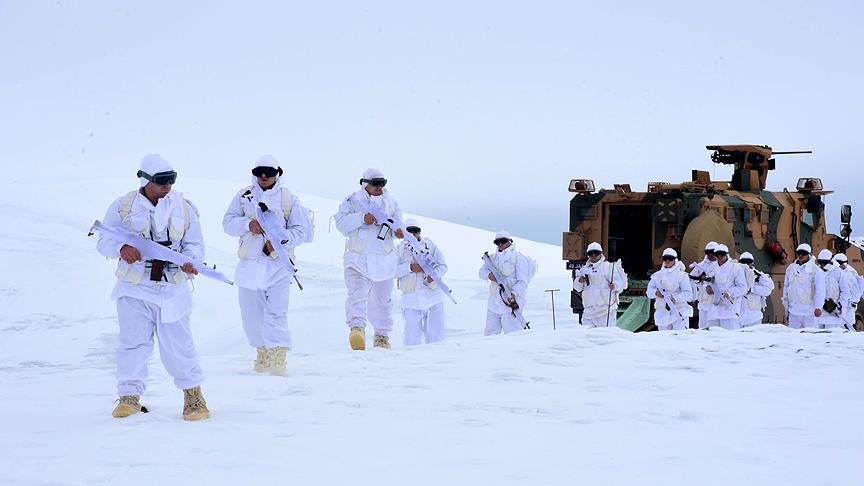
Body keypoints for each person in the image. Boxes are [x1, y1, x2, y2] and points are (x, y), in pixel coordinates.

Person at [95, 154, 209, 421]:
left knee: (179, 345)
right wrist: (121, 248)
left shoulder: (184, 207)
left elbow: (195, 244)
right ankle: (129, 397)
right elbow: (103, 239)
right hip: (134, 287)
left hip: (172, 289)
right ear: (145, 179)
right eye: (161, 181)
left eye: (171, 180)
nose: (167, 186)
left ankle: (193, 397)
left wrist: (192, 261)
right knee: (132, 344)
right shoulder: (122, 206)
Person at [222, 155, 313, 376]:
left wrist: (281, 239)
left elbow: (301, 231)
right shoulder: (244, 196)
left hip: (278, 265)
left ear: (277, 173)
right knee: (250, 314)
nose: (263, 176)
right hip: (249, 265)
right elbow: (228, 223)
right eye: (259, 171)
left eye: (269, 172)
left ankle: (278, 357)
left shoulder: (289, 198)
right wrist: (248, 224)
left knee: (277, 312)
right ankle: (262, 351)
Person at [335, 169, 403, 350]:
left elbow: (398, 226)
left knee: (382, 299)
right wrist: (361, 218)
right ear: (365, 183)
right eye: (375, 183)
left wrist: (398, 231)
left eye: (383, 183)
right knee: (357, 294)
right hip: (357, 258)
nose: (379, 187)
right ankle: (357, 329)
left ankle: (382, 336)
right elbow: (340, 224)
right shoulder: (352, 201)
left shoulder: (391, 203)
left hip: (384, 259)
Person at [395, 219, 448, 345]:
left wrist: (434, 276)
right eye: (409, 231)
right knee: (411, 340)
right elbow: (391, 271)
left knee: (436, 338)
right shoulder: (399, 249)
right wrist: (410, 268)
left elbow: (443, 266)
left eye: (416, 231)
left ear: (420, 232)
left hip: (433, 297)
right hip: (411, 299)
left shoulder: (429, 245)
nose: (413, 234)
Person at [479, 231, 535, 335]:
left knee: (512, 335)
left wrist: (514, 294)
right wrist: (489, 275)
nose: (500, 244)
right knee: (489, 335)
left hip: (510, 303)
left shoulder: (518, 258)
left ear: (510, 241)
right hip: (493, 303)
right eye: (497, 242)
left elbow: (523, 281)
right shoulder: (492, 258)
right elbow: (481, 272)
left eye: (503, 241)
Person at [573, 242, 627, 328]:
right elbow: (577, 288)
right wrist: (579, 281)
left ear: (601, 254)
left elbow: (619, 282)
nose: (593, 255)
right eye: (591, 253)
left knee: (606, 337)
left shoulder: (608, 267)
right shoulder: (584, 269)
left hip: (605, 311)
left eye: (596, 253)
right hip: (589, 313)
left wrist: (615, 285)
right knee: (587, 337)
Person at [702, 244, 748, 330]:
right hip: (713, 309)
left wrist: (730, 293)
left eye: (722, 254)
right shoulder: (712, 267)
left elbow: (742, 287)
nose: (719, 256)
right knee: (712, 336)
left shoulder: (735, 268)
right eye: (717, 254)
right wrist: (707, 287)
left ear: (726, 254)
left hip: (729, 309)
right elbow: (706, 281)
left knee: (730, 338)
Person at [646, 248, 693, 331]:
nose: (667, 261)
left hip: (679, 311)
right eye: (665, 258)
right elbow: (649, 292)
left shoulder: (682, 275)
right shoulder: (657, 276)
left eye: (670, 258)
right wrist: (656, 293)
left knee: (680, 339)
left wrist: (676, 299)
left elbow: (688, 294)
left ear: (675, 259)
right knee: (664, 341)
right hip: (663, 313)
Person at [781, 243, 826, 329]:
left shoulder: (816, 270)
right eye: (799, 253)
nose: (801, 255)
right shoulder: (791, 269)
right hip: (794, 311)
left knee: (810, 338)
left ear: (809, 254)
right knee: (794, 339)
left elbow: (820, 291)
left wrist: (818, 307)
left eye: (804, 253)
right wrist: (786, 306)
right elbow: (786, 288)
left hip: (809, 312)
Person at [814, 249, 850, 330]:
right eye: (820, 262)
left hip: (833, 314)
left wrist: (841, 307)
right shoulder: (817, 272)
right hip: (819, 314)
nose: (822, 265)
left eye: (824, 262)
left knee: (832, 340)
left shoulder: (839, 272)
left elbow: (845, 292)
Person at [738, 252, 775, 328]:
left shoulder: (759, 275)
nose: (746, 264)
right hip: (738, 316)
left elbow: (768, 289)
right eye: (743, 262)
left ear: (752, 263)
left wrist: (752, 289)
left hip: (754, 316)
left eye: (748, 262)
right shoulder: (735, 274)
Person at [690, 241, 719, 329]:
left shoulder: (722, 266)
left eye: (712, 252)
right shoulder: (700, 266)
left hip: (716, 303)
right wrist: (699, 280)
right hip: (703, 302)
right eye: (708, 252)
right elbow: (691, 280)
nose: (710, 255)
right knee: (702, 328)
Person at [833, 253, 861, 331]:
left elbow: (856, 291)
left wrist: (851, 303)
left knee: (847, 327)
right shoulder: (836, 272)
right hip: (840, 305)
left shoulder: (850, 274)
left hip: (849, 306)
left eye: (840, 263)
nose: (838, 265)